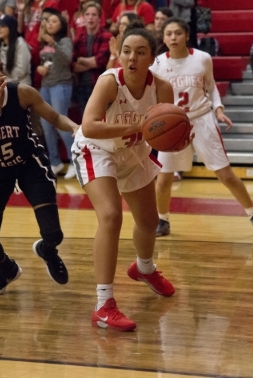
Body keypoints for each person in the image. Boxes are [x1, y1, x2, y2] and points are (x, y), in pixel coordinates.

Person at [71, 22, 176, 331]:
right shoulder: (109, 82)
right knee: (111, 216)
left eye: (141, 52)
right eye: (127, 51)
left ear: (152, 58)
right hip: (96, 149)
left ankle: (144, 268)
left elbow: (163, 131)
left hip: (132, 151)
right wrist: (135, 128)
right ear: (119, 52)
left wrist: (175, 137)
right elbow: (89, 126)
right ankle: (103, 304)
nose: (132, 58)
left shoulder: (162, 88)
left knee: (149, 220)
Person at [0, 48, 79, 295]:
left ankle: (47, 250)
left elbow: (55, 117)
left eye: (0, 68)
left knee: (53, 234)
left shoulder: (21, 92)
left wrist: (77, 128)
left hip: (29, 164)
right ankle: (7, 269)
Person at [150, 17, 253, 240]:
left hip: (201, 119)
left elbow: (211, 87)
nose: (173, 37)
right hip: (173, 125)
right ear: (164, 37)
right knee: (163, 178)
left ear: (187, 35)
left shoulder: (202, 58)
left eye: (178, 33)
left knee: (225, 174)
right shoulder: (157, 64)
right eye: (168, 33)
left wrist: (218, 109)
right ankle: (163, 219)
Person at [37, 11, 75, 178]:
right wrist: (39, 68)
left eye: (54, 21)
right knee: (46, 126)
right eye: (48, 21)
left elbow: (67, 59)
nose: (50, 24)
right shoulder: (43, 43)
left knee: (61, 124)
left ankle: (75, 162)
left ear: (61, 25)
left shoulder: (65, 41)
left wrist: (54, 43)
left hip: (61, 84)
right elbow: (44, 61)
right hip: (45, 86)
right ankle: (55, 162)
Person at [72, 2, 111, 118]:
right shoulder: (79, 37)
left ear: (99, 18)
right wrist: (91, 63)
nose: (90, 18)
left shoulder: (106, 36)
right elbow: (72, 65)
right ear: (83, 17)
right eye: (87, 14)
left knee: (101, 121)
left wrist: (81, 60)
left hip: (99, 85)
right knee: (86, 124)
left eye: (94, 15)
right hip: (81, 87)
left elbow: (99, 61)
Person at [0, 14, 31, 85]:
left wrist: (3, 72)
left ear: (11, 28)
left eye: (2, 26)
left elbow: (21, 71)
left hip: (21, 85)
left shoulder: (21, 45)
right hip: (6, 83)